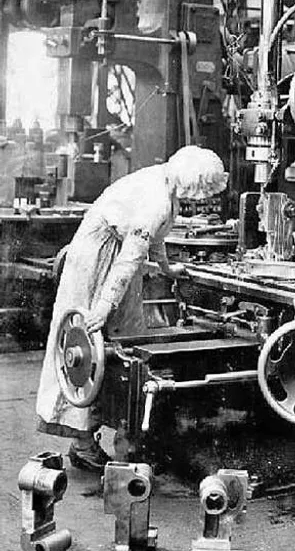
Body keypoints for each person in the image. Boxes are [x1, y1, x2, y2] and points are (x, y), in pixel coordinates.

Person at [36, 145, 229, 471]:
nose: (202, 199)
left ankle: (126, 431)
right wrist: (102, 307)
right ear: (194, 183)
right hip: (99, 255)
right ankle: (82, 442)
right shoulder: (155, 199)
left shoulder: (164, 184)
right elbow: (128, 261)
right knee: (88, 344)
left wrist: (166, 268)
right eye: (203, 191)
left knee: (129, 341)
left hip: (117, 253)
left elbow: (155, 238)